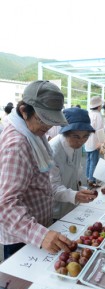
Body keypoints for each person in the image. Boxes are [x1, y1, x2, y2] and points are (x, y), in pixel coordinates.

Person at [0, 80, 73, 259]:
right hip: (22, 237)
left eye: (51, 120)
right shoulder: (18, 145)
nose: (48, 126)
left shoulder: (33, 133)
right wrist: (41, 235)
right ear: (24, 111)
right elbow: (5, 206)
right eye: (43, 119)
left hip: (37, 228)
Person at [49, 107, 98, 220]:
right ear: (65, 132)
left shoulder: (77, 146)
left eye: (85, 136)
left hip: (70, 206)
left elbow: (76, 172)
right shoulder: (52, 151)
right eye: (76, 136)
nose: (81, 141)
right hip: (55, 210)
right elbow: (53, 188)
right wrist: (75, 195)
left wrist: (80, 190)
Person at [85, 96, 104, 185]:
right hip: (95, 142)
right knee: (94, 161)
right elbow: (100, 131)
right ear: (99, 106)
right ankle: (92, 179)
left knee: (88, 160)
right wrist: (101, 143)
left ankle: (88, 176)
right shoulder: (98, 115)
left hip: (87, 141)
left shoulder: (89, 114)